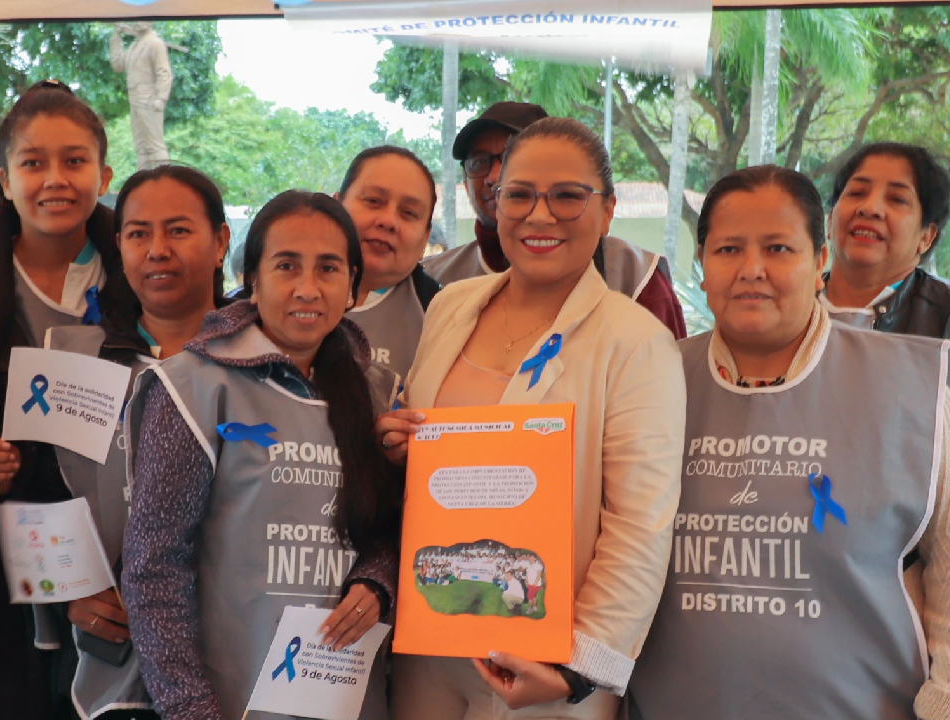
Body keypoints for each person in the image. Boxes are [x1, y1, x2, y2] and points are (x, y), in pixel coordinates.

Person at [377, 117, 686, 718]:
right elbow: (430, 449)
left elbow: (639, 523)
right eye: (517, 195)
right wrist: (399, 451)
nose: (539, 216)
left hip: (544, 661)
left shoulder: (636, 341)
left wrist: (577, 670)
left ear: (608, 209)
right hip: (432, 640)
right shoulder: (452, 306)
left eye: (567, 196)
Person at [627, 164, 950, 719]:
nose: (752, 270)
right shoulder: (648, 378)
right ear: (701, 266)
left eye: (779, 249)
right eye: (728, 250)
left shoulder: (914, 385)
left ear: (821, 261)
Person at [122, 191, 404, 720]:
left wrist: (377, 582)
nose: (307, 288)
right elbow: (153, 567)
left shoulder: (379, 393)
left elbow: (391, 525)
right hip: (229, 697)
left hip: (345, 693)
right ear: (252, 279)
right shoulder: (192, 386)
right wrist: (189, 708)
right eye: (286, 266)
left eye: (328, 268)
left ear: (353, 287)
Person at [0, 80, 135, 720]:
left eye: (75, 161)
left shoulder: (144, 279)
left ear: (104, 173)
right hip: (6, 575)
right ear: (3, 178)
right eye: (33, 162)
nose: (56, 179)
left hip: (129, 563)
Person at [33, 165, 230, 720]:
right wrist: (65, 590)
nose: (158, 249)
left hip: (238, 656)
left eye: (179, 230)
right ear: (118, 245)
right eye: (139, 233)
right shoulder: (73, 362)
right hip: (110, 669)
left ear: (221, 241)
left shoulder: (262, 363)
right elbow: (35, 499)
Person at [422, 102, 687, 339]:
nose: (493, 176)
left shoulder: (634, 276)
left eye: (511, 158)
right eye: (478, 162)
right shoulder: (435, 281)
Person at [820, 142, 950, 336]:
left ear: (926, 236)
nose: (870, 208)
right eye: (856, 193)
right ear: (831, 221)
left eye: (897, 199)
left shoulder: (944, 317)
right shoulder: (786, 301)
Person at [336, 146, 443, 378]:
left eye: (409, 213)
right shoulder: (268, 298)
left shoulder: (444, 317)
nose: (388, 221)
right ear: (336, 206)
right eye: (373, 201)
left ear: (425, 238)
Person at [109, 22, 172, 170]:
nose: (137, 22)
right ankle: (142, 181)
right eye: (136, 19)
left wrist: (161, 98)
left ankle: (165, 180)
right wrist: (116, 37)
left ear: (151, 21)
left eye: (142, 18)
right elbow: (118, 65)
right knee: (141, 147)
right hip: (134, 97)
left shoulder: (155, 44)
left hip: (149, 98)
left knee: (155, 145)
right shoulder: (134, 46)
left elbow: (164, 73)